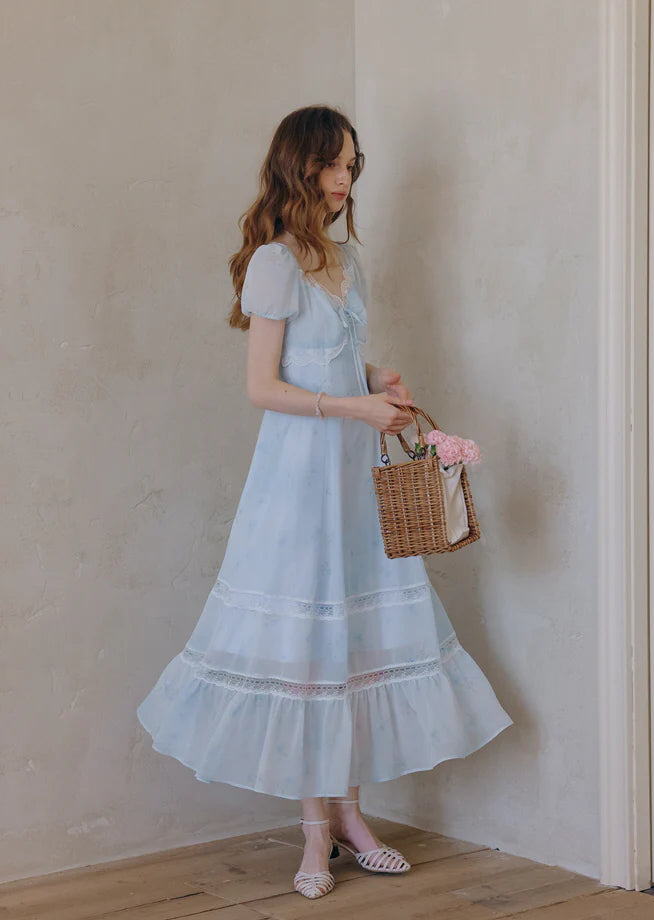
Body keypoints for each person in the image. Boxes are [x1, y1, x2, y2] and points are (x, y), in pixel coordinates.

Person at [136, 104, 513, 900]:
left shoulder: (348, 261)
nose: (346, 180)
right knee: (311, 648)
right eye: (334, 166)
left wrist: (373, 380)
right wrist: (353, 407)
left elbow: (329, 356)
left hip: (352, 472)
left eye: (352, 166)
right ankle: (316, 833)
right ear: (299, 168)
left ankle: (350, 818)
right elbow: (262, 386)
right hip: (299, 477)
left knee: (353, 642)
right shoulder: (274, 262)